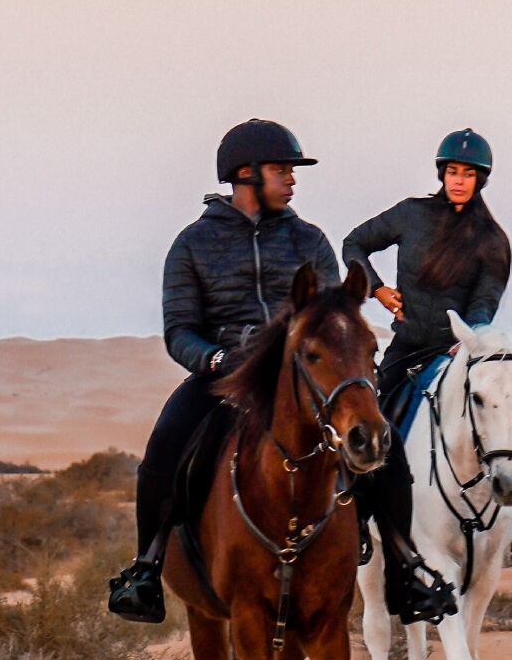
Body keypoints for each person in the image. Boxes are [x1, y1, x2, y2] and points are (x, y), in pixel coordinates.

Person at [107, 119, 454, 624]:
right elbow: (179, 329)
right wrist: (219, 361)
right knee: (165, 446)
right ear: (244, 174)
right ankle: (146, 567)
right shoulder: (191, 246)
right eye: (281, 170)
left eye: (291, 171)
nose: (292, 180)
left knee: (386, 446)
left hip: (305, 382)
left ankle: (405, 568)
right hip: (225, 379)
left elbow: (336, 319)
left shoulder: (309, 241)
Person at [341, 129, 512, 614]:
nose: (459, 181)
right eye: (453, 171)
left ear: (482, 179)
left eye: (469, 174)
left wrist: (469, 348)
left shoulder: (492, 240)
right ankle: (358, 519)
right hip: (404, 349)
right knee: (369, 425)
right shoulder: (410, 215)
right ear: (442, 173)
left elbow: (483, 308)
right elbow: (354, 242)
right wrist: (376, 289)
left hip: (458, 352)